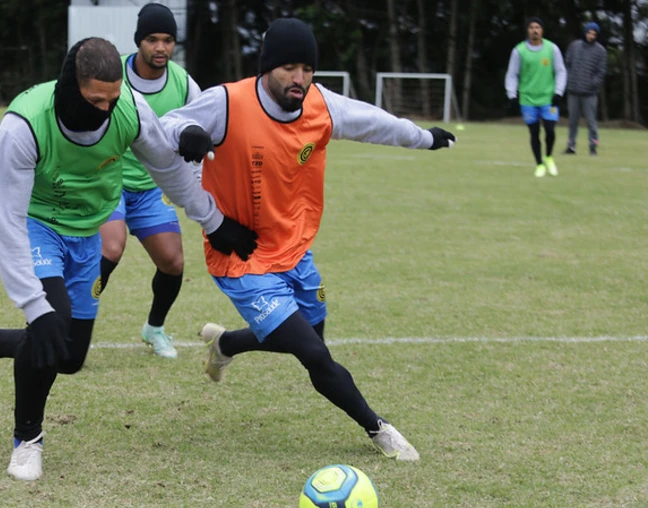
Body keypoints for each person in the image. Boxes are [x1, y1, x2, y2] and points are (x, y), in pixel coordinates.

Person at [159, 18, 457, 462]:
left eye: (306, 68)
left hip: (296, 251)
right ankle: (379, 429)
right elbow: (165, 125)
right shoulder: (227, 102)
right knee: (314, 353)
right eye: (288, 68)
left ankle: (226, 344)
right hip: (241, 257)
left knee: (301, 336)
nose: (299, 78)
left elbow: (376, 122)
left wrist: (425, 138)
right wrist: (186, 134)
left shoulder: (321, 105)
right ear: (266, 68)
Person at [0, 37, 255, 481]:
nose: (104, 109)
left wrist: (212, 221)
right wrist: (32, 304)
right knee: (50, 323)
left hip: (89, 231)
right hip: (39, 225)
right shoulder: (24, 124)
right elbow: (5, 220)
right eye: (95, 99)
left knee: (71, 356)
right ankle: (27, 440)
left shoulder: (127, 108)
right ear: (70, 86)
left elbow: (167, 165)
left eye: (111, 99)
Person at [98, 3, 202, 359]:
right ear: (138, 41)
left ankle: (154, 328)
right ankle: (72, 321)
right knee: (110, 249)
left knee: (173, 263)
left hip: (151, 187)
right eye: (153, 39)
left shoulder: (184, 83)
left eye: (168, 40)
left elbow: (201, 130)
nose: (161, 48)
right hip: (108, 179)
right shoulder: (113, 74)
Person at [505, 17, 567, 178]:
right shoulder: (519, 51)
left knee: (550, 130)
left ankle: (549, 157)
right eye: (532, 27)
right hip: (528, 100)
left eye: (538, 27)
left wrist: (559, 92)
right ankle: (539, 164)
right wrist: (512, 95)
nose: (535, 30)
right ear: (527, 30)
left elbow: (561, 71)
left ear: (542, 30)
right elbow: (512, 74)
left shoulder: (552, 49)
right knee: (534, 132)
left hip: (548, 99)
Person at [564, 21, 607, 156]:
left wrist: (592, 84)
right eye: (589, 33)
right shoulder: (574, 46)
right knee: (572, 121)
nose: (591, 36)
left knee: (591, 121)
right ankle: (571, 146)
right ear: (585, 32)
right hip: (573, 90)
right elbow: (567, 64)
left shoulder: (601, 51)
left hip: (590, 93)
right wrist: (569, 80)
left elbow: (601, 72)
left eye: (594, 34)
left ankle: (593, 147)